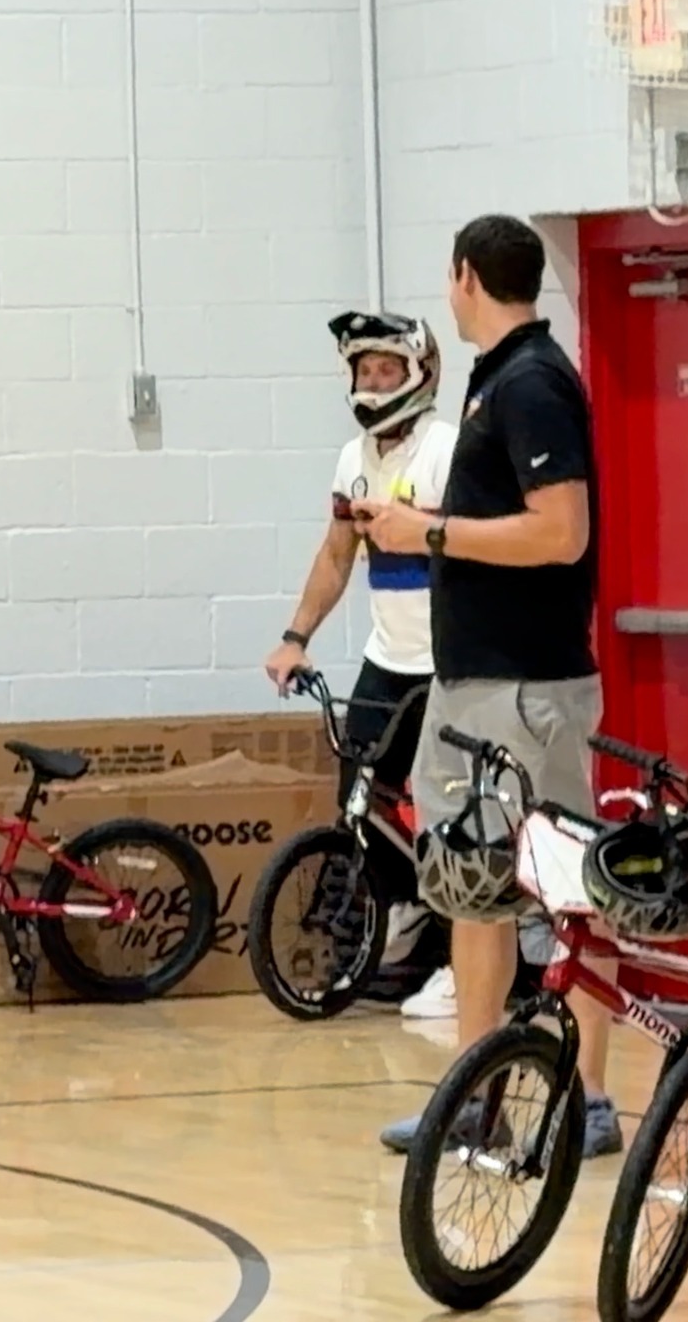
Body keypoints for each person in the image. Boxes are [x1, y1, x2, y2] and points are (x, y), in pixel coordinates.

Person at [352, 214, 622, 1161]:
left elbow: (562, 533)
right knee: (472, 886)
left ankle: (588, 1096)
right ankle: (476, 1094)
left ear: (464, 275)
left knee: (568, 887)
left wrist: (427, 533)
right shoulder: (497, 378)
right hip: (477, 686)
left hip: (528, 687)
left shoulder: (535, 383)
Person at [264, 308, 458, 977]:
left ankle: (464, 957)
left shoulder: (447, 449)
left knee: (448, 808)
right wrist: (295, 637)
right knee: (362, 798)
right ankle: (397, 918)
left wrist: (420, 525)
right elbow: (337, 555)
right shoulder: (354, 459)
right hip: (387, 659)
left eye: (386, 369)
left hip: (450, 665)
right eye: (364, 370)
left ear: (419, 373)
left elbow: (484, 545)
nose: (373, 383)